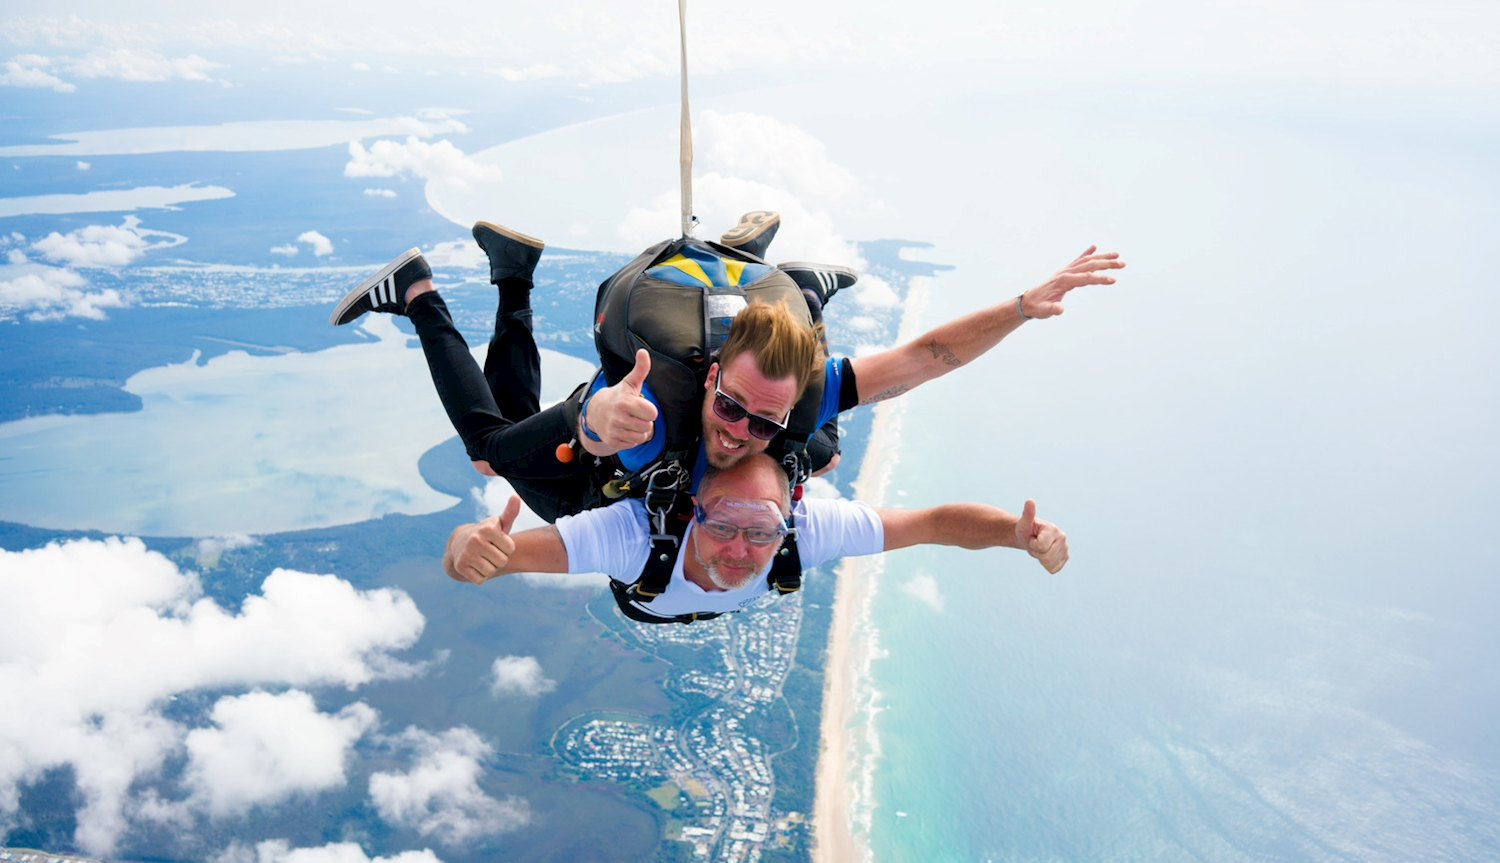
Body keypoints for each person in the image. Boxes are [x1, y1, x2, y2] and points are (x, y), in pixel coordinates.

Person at [330, 213, 1124, 520]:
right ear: (710, 373)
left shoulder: (799, 402)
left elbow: (930, 356)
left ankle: (784, 281)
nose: (741, 432)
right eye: (735, 407)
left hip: (643, 434)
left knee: (823, 444)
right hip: (617, 424)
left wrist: (1022, 307)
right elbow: (611, 425)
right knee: (490, 450)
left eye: (763, 421)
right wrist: (606, 419)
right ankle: (423, 295)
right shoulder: (659, 408)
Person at [442, 452, 1069, 621]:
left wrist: (1015, 537)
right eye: (723, 526)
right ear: (690, 512)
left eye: (762, 531)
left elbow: (934, 523)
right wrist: (472, 547)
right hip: (607, 521)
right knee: (494, 451)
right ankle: (481, 286)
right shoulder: (631, 537)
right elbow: (485, 561)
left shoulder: (809, 530)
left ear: (789, 517)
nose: (742, 549)